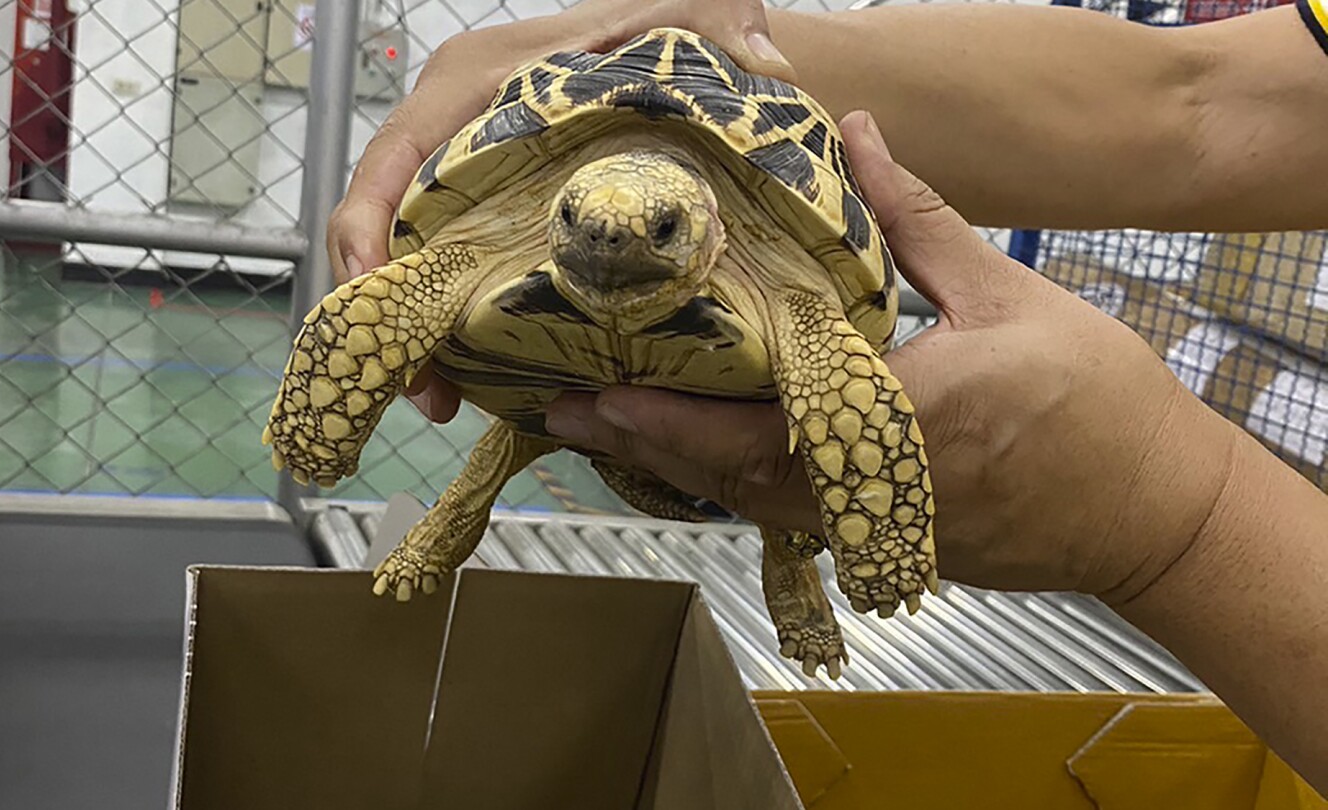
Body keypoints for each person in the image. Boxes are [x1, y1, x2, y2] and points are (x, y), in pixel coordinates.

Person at [324, 0, 1328, 792]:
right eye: (581, 225)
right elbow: (1198, 103)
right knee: (491, 438)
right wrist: (679, 37)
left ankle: (792, 570)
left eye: (655, 234)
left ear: (699, 228)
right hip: (594, 294)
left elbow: (1199, 110)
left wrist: (1178, 519)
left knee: (812, 434)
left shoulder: (791, 310)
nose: (613, 247)